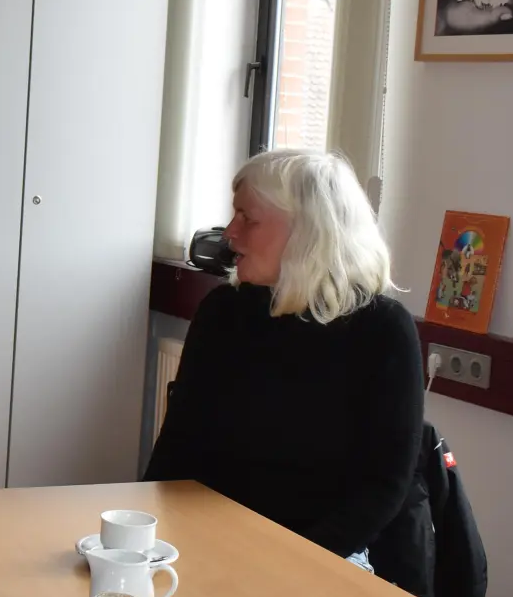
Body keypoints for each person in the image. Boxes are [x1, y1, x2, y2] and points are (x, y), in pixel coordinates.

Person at [144, 149, 424, 567]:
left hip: (323, 554)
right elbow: (178, 445)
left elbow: (383, 487)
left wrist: (285, 562)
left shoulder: (382, 330)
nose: (230, 234)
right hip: (210, 538)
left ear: (309, 231)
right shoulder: (224, 310)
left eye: (248, 219)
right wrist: (144, 532)